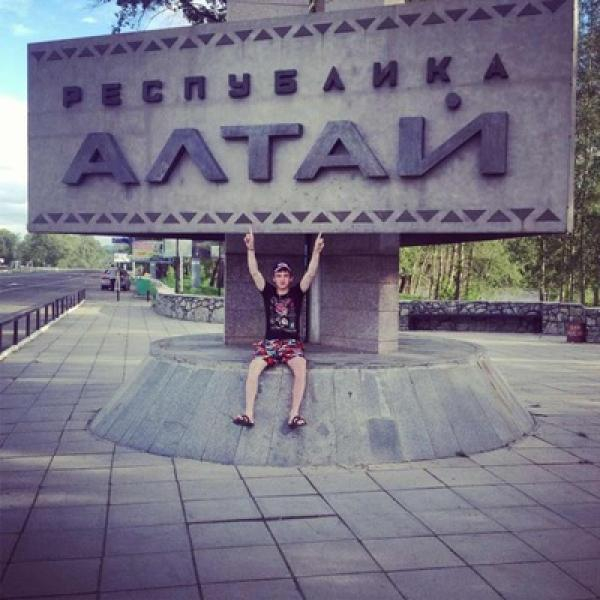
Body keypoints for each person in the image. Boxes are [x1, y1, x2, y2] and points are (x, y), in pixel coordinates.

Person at [233, 229, 325, 429]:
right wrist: (250, 249)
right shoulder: (267, 292)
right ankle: (249, 414)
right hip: (270, 343)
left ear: (291, 278)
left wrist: (316, 252)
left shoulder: (297, 293)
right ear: (274, 278)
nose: (282, 278)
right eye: (279, 275)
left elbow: (310, 274)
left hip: (291, 344)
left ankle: (294, 415)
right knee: (253, 368)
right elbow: (254, 272)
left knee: (301, 368)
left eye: (286, 275)